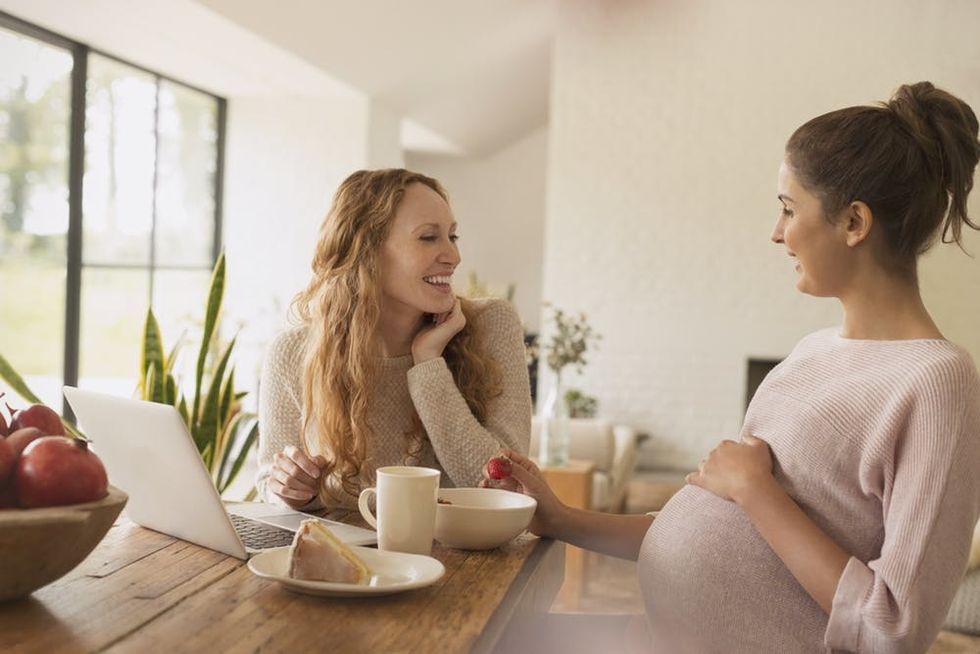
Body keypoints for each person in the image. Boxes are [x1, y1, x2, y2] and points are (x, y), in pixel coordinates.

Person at [487, 82, 980, 652]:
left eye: (789, 209)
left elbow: (892, 631)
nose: (776, 232)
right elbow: (721, 536)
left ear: (853, 223)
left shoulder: (937, 381)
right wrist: (561, 518)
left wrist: (755, 490)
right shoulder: (811, 352)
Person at [258, 169, 531, 518]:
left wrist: (428, 362)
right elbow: (270, 483)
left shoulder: (492, 324)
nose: (453, 255)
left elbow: (505, 487)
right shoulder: (293, 352)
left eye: (452, 236)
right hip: (348, 562)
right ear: (367, 251)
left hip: (466, 562)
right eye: (429, 237)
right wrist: (292, 489)